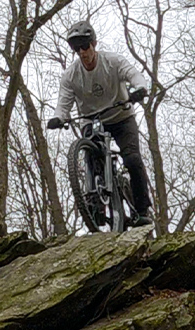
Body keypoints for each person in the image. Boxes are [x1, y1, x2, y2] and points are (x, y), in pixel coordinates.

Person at [46, 20, 154, 227]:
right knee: (91, 160)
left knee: (132, 159)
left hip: (121, 116)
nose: (82, 52)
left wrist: (139, 88)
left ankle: (141, 210)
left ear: (94, 44)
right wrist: (59, 118)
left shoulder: (112, 62)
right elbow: (64, 102)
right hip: (92, 120)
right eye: (77, 48)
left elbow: (133, 74)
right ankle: (94, 207)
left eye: (85, 46)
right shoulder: (71, 75)